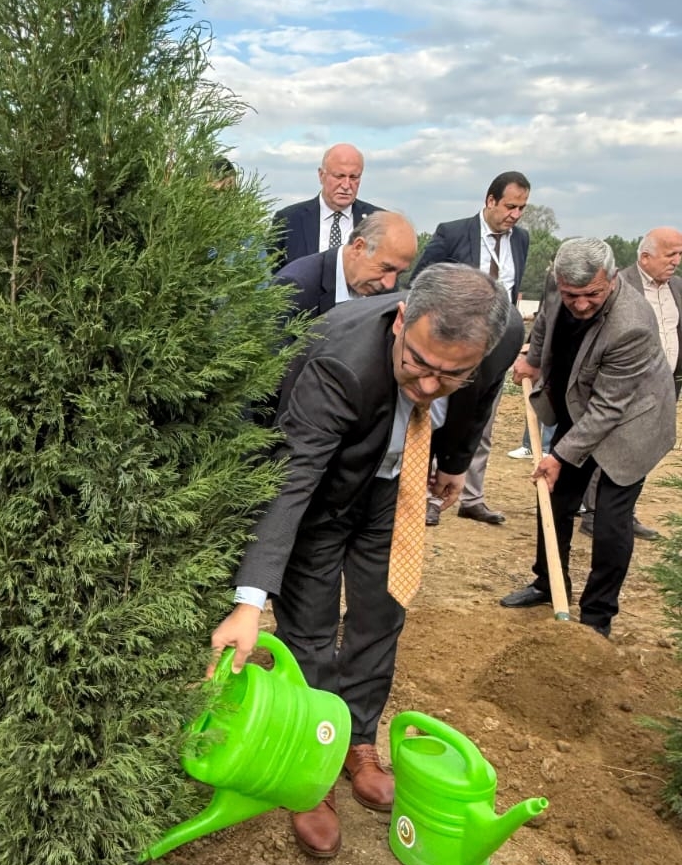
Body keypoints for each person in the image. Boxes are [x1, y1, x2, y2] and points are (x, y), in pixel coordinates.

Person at [210, 265, 513, 860]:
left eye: (450, 374)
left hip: (394, 488)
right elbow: (293, 481)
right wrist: (249, 601)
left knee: (381, 611)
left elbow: (478, 398)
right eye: (418, 364)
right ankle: (313, 764)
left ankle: (358, 739)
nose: (430, 385)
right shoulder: (338, 362)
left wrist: (454, 461)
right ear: (401, 322)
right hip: (321, 494)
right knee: (311, 628)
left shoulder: (497, 340)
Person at [500, 239, 676, 637]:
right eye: (571, 295)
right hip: (580, 405)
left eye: (592, 294)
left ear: (612, 279)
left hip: (632, 420)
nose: (580, 304)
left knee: (610, 520)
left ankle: (597, 617)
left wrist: (559, 455)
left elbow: (608, 409)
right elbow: (544, 322)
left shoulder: (631, 323)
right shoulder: (557, 283)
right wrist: (532, 359)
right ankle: (548, 583)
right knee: (554, 498)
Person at [410, 172, 531, 526]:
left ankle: (471, 496)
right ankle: (425, 495)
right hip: (452, 349)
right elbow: (420, 283)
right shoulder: (452, 233)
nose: (515, 215)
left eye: (521, 208)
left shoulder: (521, 240)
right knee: (439, 420)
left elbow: (512, 291)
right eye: (510, 206)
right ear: (490, 200)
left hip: (496, 348)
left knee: (481, 422)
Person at [579, 227, 682, 543]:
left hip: (665, 386)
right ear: (646, 257)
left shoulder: (677, 288)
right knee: (610, 447)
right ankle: (594, 513)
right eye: (670, 254)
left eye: (679, 254)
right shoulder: (618, 285)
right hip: (623, 384)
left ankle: (623, 512)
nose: (676, 261)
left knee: (642, 449)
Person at [274, 210, 417, 315]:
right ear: (358, 247)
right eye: (385, 268)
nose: (390, 284)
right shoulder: (294, 287)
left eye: (399, 273)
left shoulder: (387, 293)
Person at [269, 144, 382, 269]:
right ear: (321, 175)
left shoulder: (380, 221)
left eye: (353, 177)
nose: (346, 185)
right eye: (339, 176)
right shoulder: (288, 220)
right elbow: (272, 273)